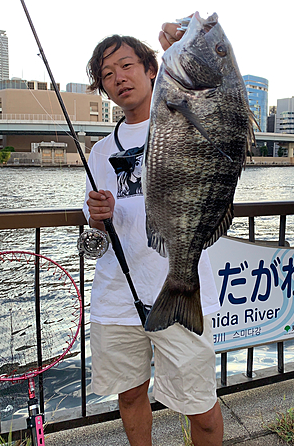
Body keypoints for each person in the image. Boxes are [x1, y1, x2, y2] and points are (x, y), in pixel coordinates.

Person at [83, 24, 224, 446]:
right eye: (107, 75)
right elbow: (90, 214)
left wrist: (183, 43)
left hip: (181, 290)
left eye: (126, 66)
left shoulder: (183, 117)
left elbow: (218, 102)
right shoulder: (100, 150)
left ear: (152, 70)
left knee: (200, 405)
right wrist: (96, 215)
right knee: (129, 397)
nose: (118, 78)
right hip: (116, 297)